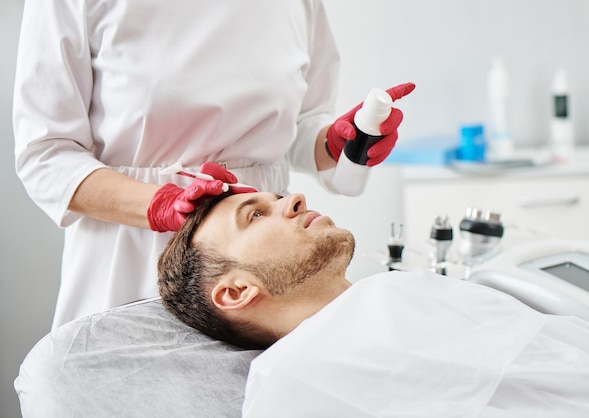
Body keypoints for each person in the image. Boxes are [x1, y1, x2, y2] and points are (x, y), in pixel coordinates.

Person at [12, 0, 415, 328]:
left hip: (266, 273)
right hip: (129, 252)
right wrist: (160, 204)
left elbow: (296, 126)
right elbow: (45, 154)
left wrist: (330, 142)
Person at [158, 191, 589, 417]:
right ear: (237, 291)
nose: (294, 199)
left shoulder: (398, 291)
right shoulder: (289, 381)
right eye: (256, 215)